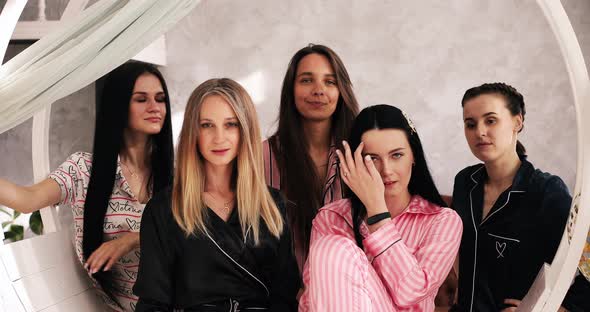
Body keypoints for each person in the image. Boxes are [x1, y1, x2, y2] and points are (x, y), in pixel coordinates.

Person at [0, 61, 174, 311]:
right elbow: (27, 199)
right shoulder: (83, 170)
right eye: (141, 99)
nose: (155, 107)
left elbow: (194, 240)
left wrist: (131, 240)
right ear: (118, 105)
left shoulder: (178, 175)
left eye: (160, 99)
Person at [133, 78, 300, 311]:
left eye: (230, 124)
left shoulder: (273, 205)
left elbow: (285, 297)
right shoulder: (163, 209)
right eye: (207, 125)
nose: (219, 137)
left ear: (245, 129)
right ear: (193, 132)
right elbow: (153, 303)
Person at [299, 104, 463, 311]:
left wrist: (377, 210)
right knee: (331, 247)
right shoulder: (331, 217)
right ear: (354, 163)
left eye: (396, 155)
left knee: (333, 247)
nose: (386, 170)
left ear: (413, 156)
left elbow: (409, 294)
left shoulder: (442, 221)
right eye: (372, 159)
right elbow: (312, 302)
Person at [451, 82, 572, 312]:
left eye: (491, 120)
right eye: (470, 124)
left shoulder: (546, 191)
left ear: (518, 122)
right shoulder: (465, 182)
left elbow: (585, 263)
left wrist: (557, 308)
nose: (480, 132)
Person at [263, 44, 359, 271]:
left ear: (341, 91)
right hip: (283, 294)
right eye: (307, 80)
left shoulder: (360, 155)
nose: (319, 90)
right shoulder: (261, 156)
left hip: (349, 290)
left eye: (330, 81)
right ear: (291, 89)